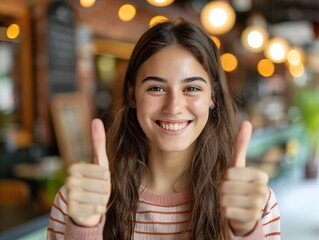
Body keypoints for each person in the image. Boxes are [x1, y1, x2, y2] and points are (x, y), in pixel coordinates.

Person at [47, 19, 280, 239]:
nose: (174, 107)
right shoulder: (78, 201)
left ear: (214, 97)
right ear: (132, 95)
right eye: (156, 88)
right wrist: (83, 230)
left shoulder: (254, 203)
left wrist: (244, 233)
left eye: (192, 88)